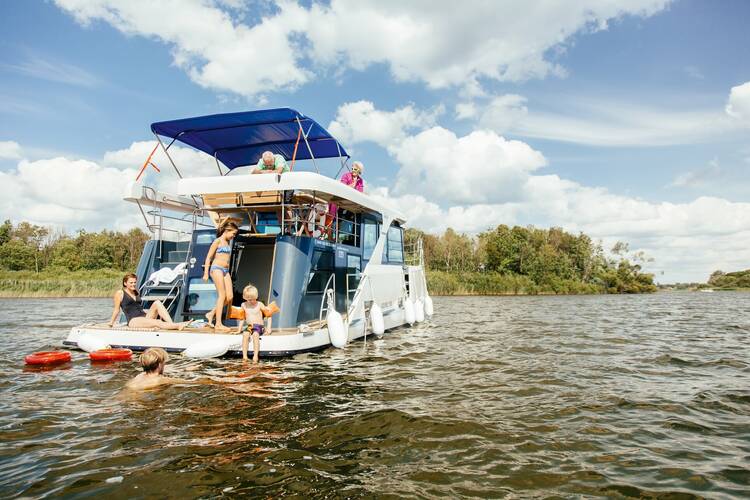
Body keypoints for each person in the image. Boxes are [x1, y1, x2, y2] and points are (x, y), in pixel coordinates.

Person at [108, 273, 191, 330]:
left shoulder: (136, 291)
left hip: (144, 317)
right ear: (125, 283)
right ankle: (177, 325)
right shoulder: (120, 293)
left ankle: (171, 324)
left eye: (134, 282)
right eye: (131, 282)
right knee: (158, 322)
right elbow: (116, 310)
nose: (133, 284)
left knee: (157, 303)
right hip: (134, 320)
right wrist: (111, 323)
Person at [203, 219, 239, 332]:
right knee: (222, 295)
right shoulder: (217, 241)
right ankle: (218, 324)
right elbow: (208, 257)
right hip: (216, 269)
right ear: (227, 231)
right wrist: (205, 273)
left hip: (225, 270)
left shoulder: (228, 242)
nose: (233, 236)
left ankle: (211, 313)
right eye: (233, 233)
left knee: (230, 296)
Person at [251, 151, 294, 233]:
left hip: (287, 184)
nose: (269, 167)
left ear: (273, 159)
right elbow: (254, 173)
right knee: (278, 207)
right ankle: (282, 229)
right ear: (263, 161)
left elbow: (279, 171)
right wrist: (267, 172)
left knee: (287, 206)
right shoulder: (261, 161)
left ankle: (288, 229)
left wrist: (263, 172)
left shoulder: (279, 158)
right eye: (266, 165)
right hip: (275, 185)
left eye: (270, 165)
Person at [326, 161, 365, 238]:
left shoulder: (360, 180)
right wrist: (352, 185)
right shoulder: (346, 175)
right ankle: (329, 235)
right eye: (352, 168)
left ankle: (337, 236)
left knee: (342, 219)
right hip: (339, 200)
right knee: (332, 216)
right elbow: (342, 188)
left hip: (349, 203)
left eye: (355, 169)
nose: (353, 170)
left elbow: (360, 192)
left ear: (359, 171)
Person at [236, 284, 273, 363]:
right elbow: (242, 318)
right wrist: (239, 330)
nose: (251, 301)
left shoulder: (259, 304)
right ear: (245, 297)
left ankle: (255, 356)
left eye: (252, 299)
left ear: (256, 297)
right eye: (248, 299)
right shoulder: (243, 305)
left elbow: (269, 315)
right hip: (250, 326)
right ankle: (245, 356)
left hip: (259, 326)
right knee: (245, 334)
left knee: (255, 334)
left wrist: (269, 328)